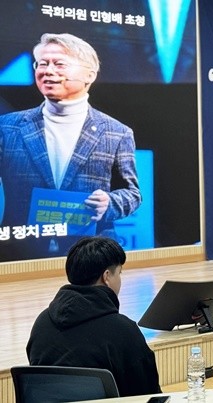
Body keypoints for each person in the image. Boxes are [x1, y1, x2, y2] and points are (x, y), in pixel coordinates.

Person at [0, 33, 141, 261]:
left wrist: (109, 203)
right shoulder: (7, 127)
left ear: (89, 75)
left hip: (91, 254)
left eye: (59, 64)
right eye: (42, 64)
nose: (48, 71)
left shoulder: (116, 132)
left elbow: (132, 193)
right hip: (19, 253)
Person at [26, 237, 161, 397]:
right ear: (106, 277)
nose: (120, 280)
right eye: (119, 273)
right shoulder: (123, 330)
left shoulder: (42, 323)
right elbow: (148, 395)